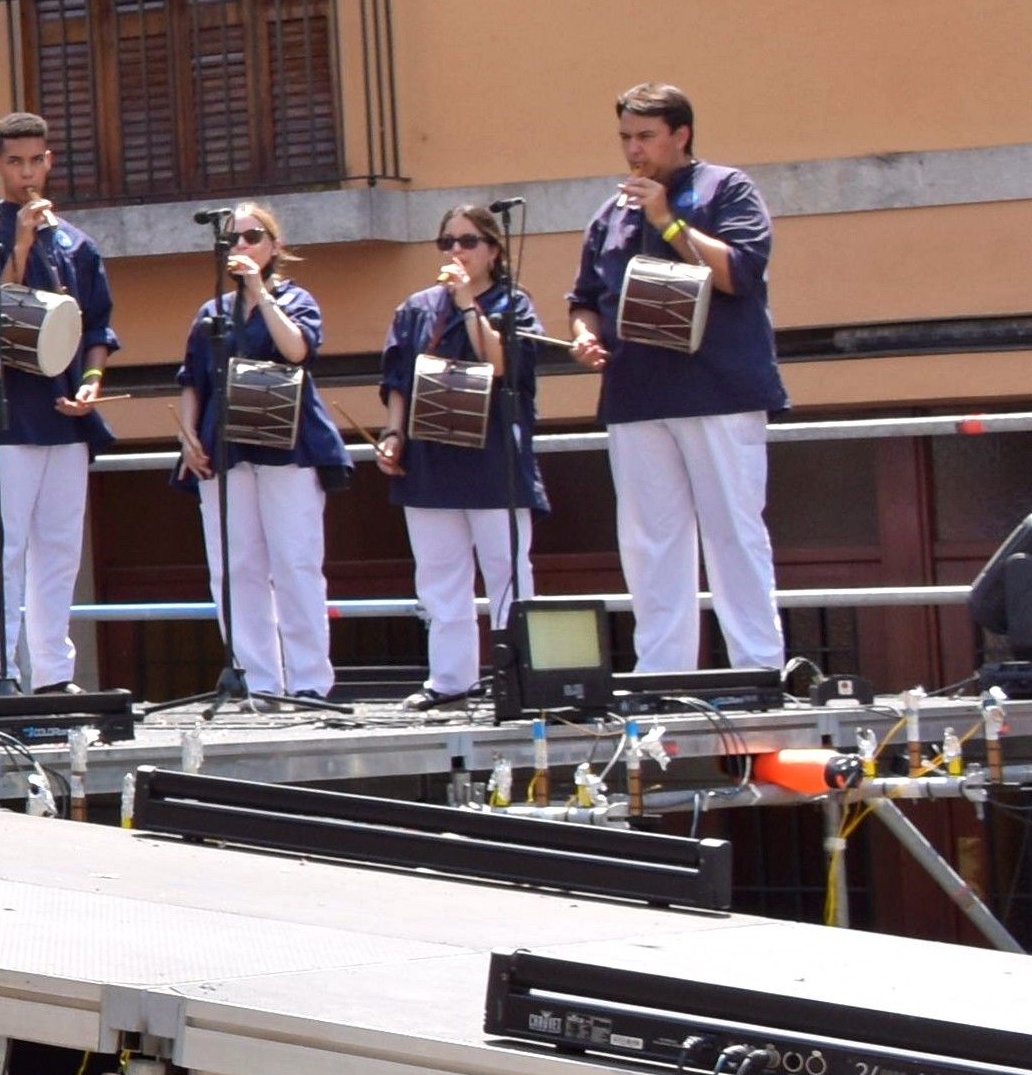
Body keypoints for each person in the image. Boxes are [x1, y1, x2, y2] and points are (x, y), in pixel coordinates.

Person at [564, 80, 785, 675]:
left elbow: (740, 273)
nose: (633, 150)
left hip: (718, 389)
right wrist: (585, 334)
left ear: (680, 135)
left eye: (645, 137)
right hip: (636, 393)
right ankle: (662, 672)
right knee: (649, 543)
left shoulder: (727, 188)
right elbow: (585, 297)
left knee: (732, 534)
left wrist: (667, 221)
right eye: (625, 138)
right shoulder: (609, 213)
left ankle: (758, 669)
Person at [0, 114, 117, 694]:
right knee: (3, 551)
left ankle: (53, 674)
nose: (26, 173)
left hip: (68, 415)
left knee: (60, 551)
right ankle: (2, 672)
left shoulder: (78, 244)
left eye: (35, 161)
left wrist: (91, 380)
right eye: (14, 162)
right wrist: (19, 243)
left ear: (50, 160)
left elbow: (98, 329)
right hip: (7, 415)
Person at [378, 207, 548, 694]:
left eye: (468, 241)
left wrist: (468, 302)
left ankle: (518, 678)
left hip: (494, 457)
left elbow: (499, 365)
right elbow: (397, 382)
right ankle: (450, 680)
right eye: (447, 242)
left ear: (493, 249)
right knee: (439, 577)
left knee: (507, 572)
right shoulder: (415, 308)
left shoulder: (513, 303)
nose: (456, 251)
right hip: (432, 455)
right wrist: (393, 434)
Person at [179, 203, 344, 700]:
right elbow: (192, 381)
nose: (242, 246)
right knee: (235, 567)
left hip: (286, 442)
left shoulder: (295, 298)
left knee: (294, 561)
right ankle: (260, 681)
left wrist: (260, 293)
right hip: (226, 447)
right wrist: (188, 439)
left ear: (273, 245)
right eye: (233, 239)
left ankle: (310, 682)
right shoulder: (211, 313)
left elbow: (296, 349)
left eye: (252, 237)